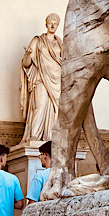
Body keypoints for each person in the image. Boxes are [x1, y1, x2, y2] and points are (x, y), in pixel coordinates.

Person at [20, 14, 63, 143]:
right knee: (40, 104)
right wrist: (27, 55)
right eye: (51, 22)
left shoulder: (60, 43)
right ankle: (35, 135)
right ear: (46, 24)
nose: (53, 25)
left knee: (55, 108)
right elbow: (26, 64)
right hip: (41, 78)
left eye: (56, 23)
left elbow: (65, 61)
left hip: (56, 79)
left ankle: (50, 136)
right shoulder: (37, 40)